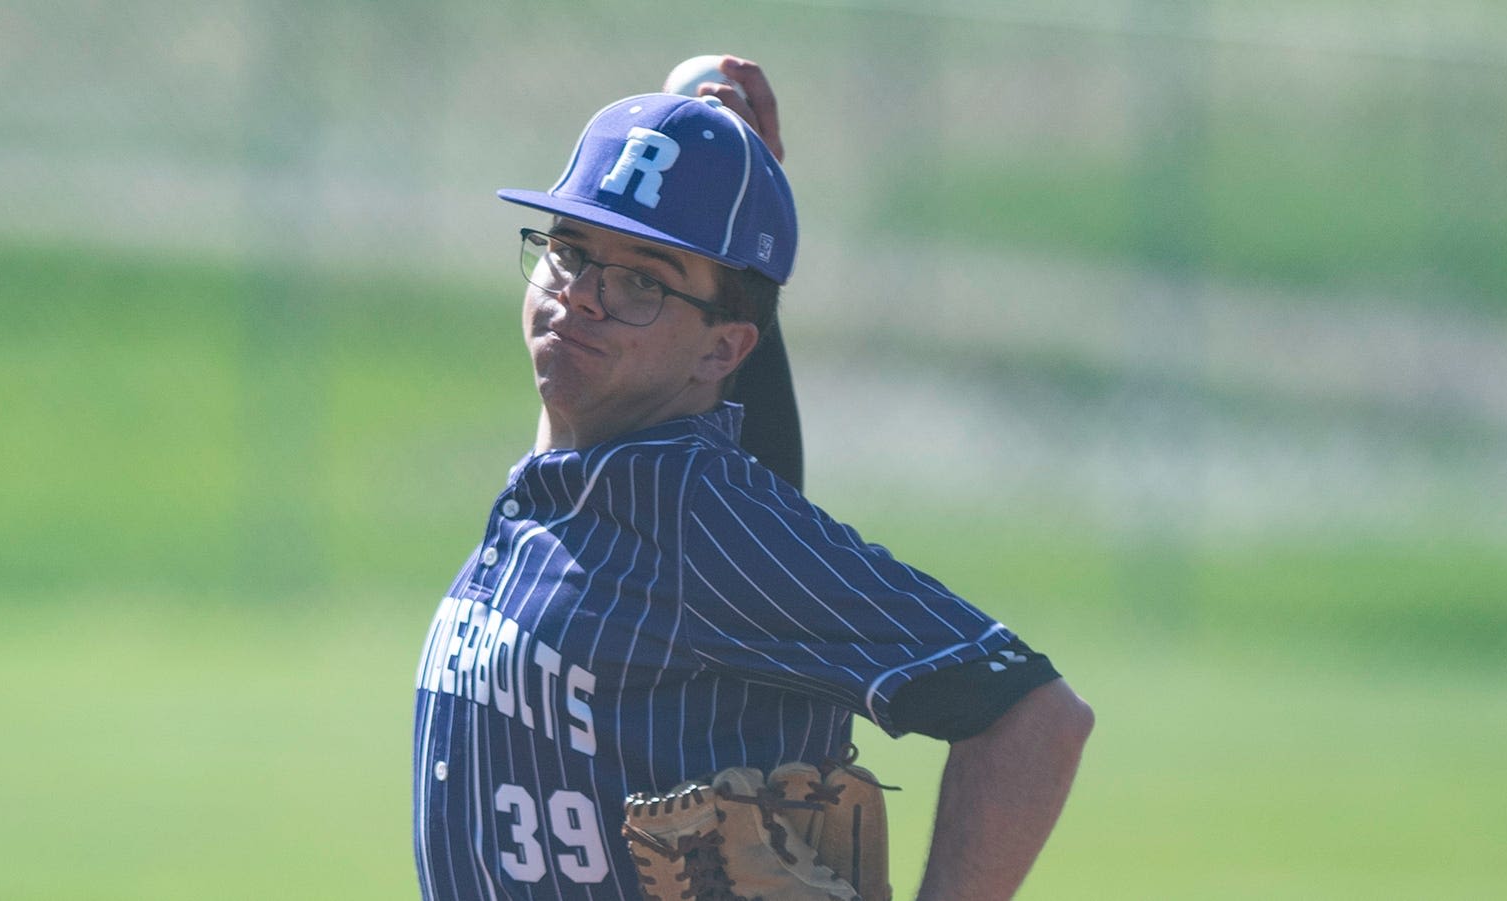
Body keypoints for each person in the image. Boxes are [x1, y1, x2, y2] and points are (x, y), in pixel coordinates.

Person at [412, 57, 1093, 900]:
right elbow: (734, 466)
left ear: (727, 349)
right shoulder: (572, 488)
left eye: (640, 281)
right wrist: (720, 181)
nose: (583, 295)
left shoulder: (692, 512)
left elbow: (1032, 716)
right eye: (570, 249)